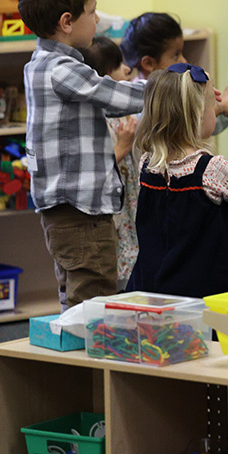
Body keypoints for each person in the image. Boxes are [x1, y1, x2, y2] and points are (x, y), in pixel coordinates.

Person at [19, 0, 146, 309]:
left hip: (70, 210)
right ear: (66, 22)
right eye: (92, 13)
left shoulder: (42, 64)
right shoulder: (61, 70)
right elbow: (113, 96)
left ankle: (77, 359)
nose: (98, 21)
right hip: (80, 211)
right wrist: (168, 88)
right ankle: (89, 363)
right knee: (93, 296)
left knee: (76, 296)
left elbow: (108, 106)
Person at [129, 63, 228, 297]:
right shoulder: (213, 169)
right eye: (214, 106)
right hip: (205, 292)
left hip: (153, 288)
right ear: (198, 115)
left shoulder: (147, 165)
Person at [80, 36, 139, 291]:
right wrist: (122, 148)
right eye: (118, 65)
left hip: (132, 201)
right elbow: (96, 166)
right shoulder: (96, 119)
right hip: (114, 209)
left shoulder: (125, 112)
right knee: (118, 262)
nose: (127, 69)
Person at [122, 12, 228, 133]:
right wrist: (217, 108)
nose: (184, 60)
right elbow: (181, 133)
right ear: (148, 64)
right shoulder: (144, 102)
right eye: (175, 55)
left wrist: (227, 108)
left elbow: (209, 128)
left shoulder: (176, 89)